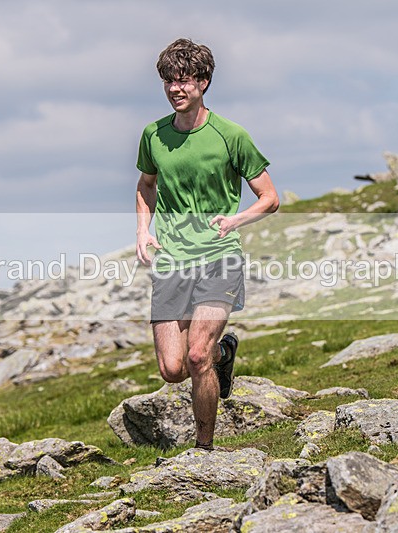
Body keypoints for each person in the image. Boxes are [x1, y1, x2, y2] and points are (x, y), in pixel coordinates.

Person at [135, 38, 279, 451]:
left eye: (183, 81)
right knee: (172, 369)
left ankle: (204, 449)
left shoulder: (231, 135)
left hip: (220, 258)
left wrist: (237, 219)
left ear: (204, 82)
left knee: (197, 354)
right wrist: (143, 231)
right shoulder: (153, 135)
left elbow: (269, 198)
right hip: (173, 261)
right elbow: (146, 186)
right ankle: (224, 355)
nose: (175, 88)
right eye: (168, 81)